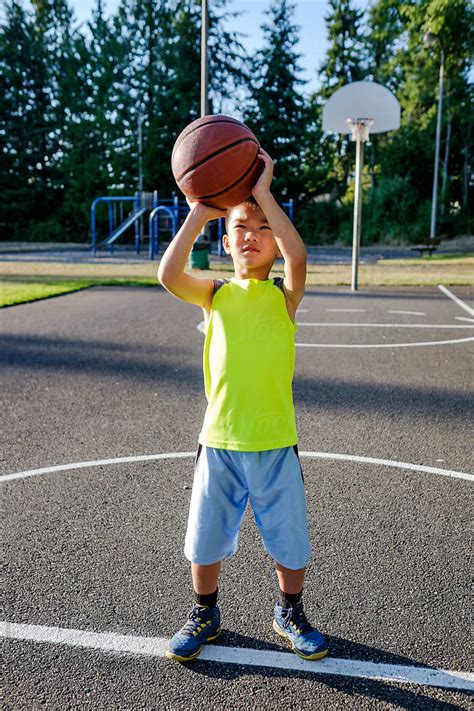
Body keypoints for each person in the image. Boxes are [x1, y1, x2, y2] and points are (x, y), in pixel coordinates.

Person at [157, 148, 328, 663]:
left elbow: (299, 257)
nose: (251, 233)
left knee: (290, 540)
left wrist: (260, 192)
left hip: (275, 441)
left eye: (261, 227)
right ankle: (204, 610)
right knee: (205, 539)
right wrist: (200, 210)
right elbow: (168, 274)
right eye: (240, 227)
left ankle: (289, 611)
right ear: (226, 241)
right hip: (220, 443)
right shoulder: (215, 295)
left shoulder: (284, 296)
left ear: (274, 241)